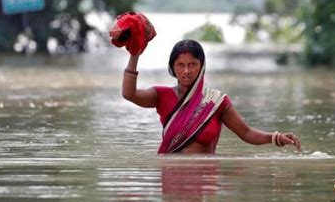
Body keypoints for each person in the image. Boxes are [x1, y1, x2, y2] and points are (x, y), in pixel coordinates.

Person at [122, 39, 301, 154]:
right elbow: (129, 94)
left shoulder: (216, 102)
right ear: (172, 67)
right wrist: (134, 55)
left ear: (202, 66)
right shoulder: (161, 95)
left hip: (205, 177)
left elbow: (246, 132)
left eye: (192, 64)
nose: (186, 71)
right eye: (180, 65)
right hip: (171, 173)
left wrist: (275, 137)